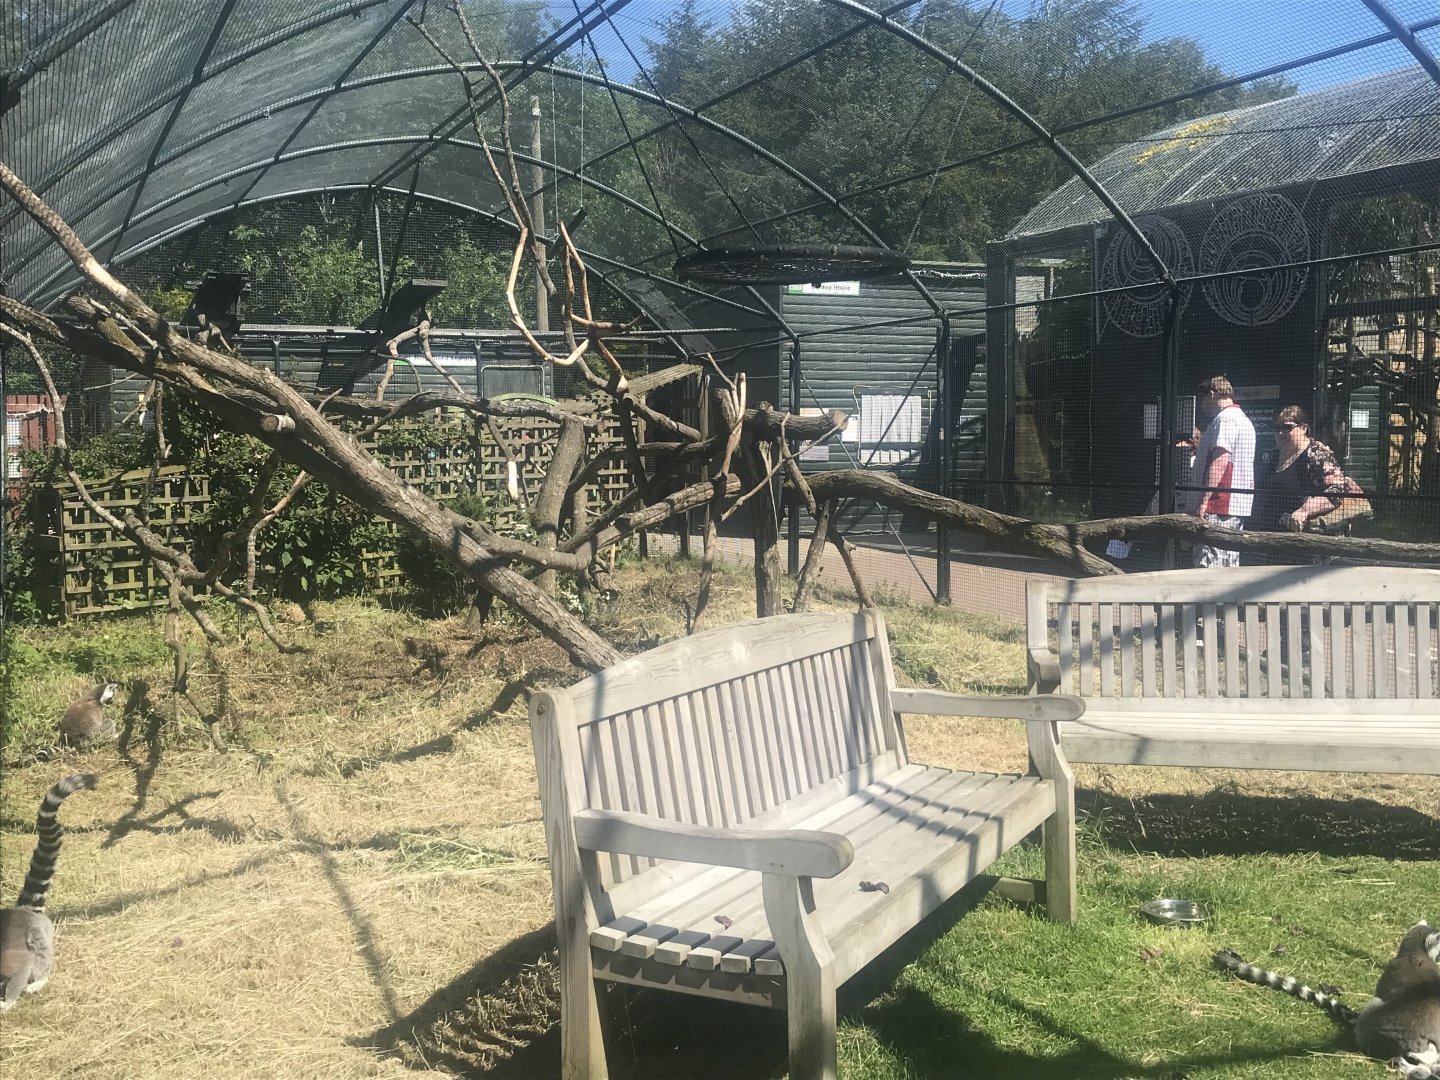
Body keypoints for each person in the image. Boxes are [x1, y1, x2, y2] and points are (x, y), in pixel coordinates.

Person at [1184, 375, 1255, 567]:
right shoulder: (1242, 419)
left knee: (1209, 563)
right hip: (1232, 506)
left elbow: (1221, 460)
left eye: (1202, 399)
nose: (1201, 405)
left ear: (1212, 394)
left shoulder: (1225, 420)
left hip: (1219, 504)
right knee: (1228, 561)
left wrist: (1204, 501)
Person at [1253, 405, 1350, 532]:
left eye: (1288, 427)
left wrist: (1305, 510)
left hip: (1300, 537)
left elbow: (1339, 490)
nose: (1280, 433)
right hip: (1265, 533)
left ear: (1303, 428)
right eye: (1277, 428)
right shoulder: (1272, 454)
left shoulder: (1316, 454)